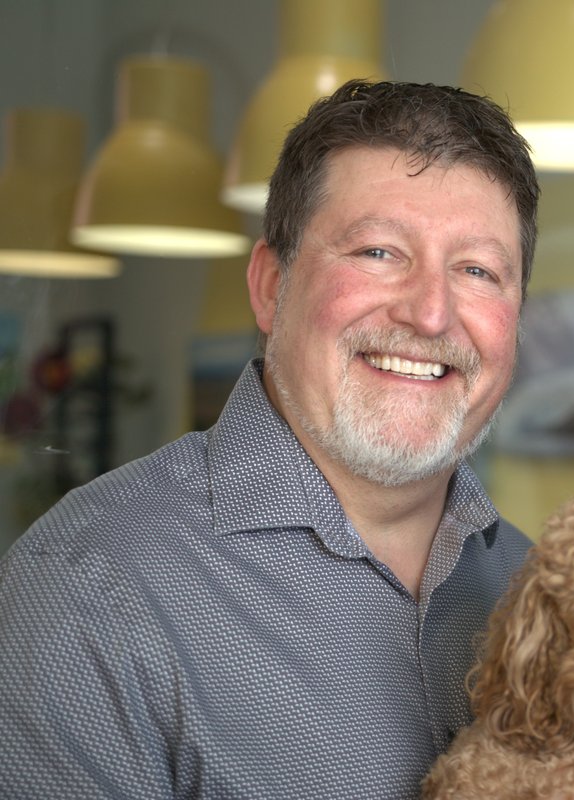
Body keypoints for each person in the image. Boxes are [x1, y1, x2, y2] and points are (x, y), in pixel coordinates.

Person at [0, 80, 539, 799]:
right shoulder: (86, 590)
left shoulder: (547, 589)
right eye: (379, 252)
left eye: (477, 270)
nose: (431, 313)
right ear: (269, 285)